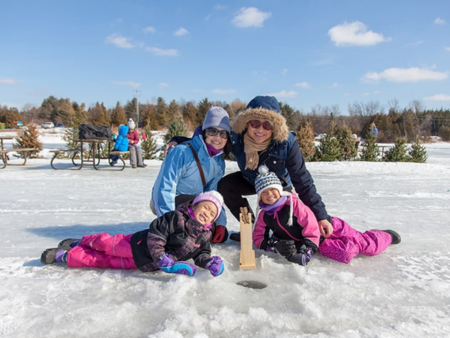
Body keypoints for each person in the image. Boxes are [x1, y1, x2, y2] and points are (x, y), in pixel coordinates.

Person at [166, 96, 333, 242]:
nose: (260, 129)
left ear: (275, 127)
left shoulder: (286, 143)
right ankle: (251, 229)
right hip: (250, 180)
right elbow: (208, 137)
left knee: (283, 226)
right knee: (225, 186)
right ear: (247, 123)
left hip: (279, 186)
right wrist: (178, 140)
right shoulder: (236, 139)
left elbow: (303, 180)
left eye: (267, 125)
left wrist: (321, 216)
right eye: (255, 123)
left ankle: (276, 232)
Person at [40, 191, 225, 277]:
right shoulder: (176, 217)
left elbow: (201, 254)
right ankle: (80, 242)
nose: (206, 213)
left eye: (211, 213)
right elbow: (156, 235)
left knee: (100, 261)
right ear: (195, 204)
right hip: (135, 245)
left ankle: (64, 256)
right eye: (205, 207)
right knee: (105, 244)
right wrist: (162, 259)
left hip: (143, 263)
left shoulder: (204, 236)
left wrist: (209, 262)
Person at [252, 166, 401, 265]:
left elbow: (310, 226)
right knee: (346, 254)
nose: (269, 195)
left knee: (367, 245)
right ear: (260, 197)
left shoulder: (293, 204)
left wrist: (307, 250)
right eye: (264, 193)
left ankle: (385, 236)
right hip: (321, 241)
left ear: (279, 190)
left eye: (272, 190)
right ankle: (353, 243)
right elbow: (258, 238)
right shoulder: (264, 215)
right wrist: (275, 246)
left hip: (329, 226)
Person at [151, 106, 232, 243]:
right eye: (213, 131)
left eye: (223, 133)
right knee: (185, 235)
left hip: (195, 205)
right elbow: (165, 187)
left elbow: (212, 194)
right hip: (172, 200)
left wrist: (220, 223)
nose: (218, 137)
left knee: (213, 236)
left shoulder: (219, 162)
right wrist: (168, 223)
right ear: (205, 132)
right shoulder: (181, 152)